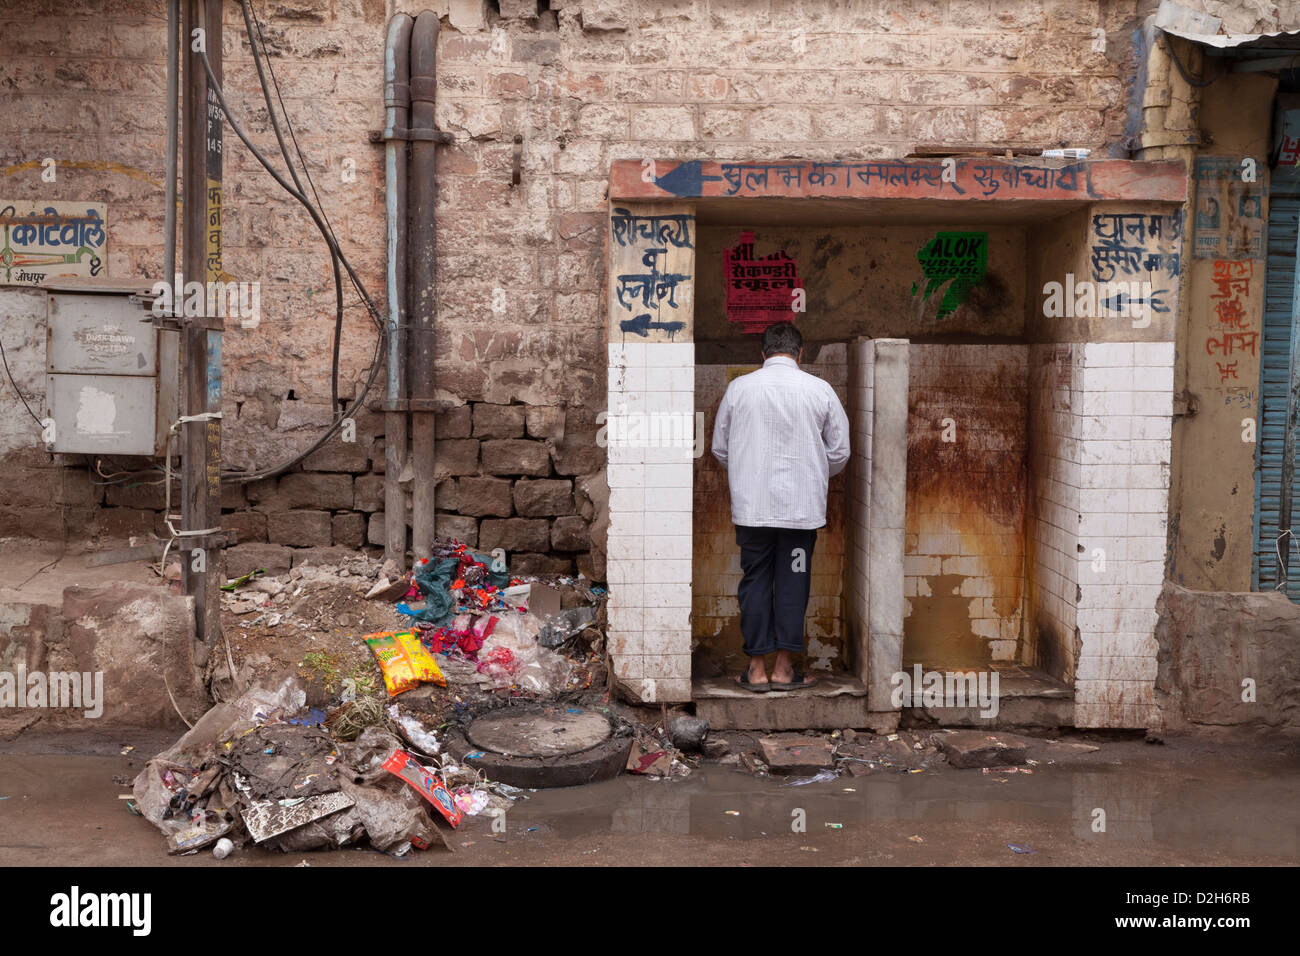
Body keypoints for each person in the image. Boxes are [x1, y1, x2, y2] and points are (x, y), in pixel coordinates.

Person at [711, 321, 850, 692]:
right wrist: (815, 474)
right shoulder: (819, 390)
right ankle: (785, 670)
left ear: (763, 353)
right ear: (800, 354)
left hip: (752, 509)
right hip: (800, 512)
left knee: (755, 580)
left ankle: (755, 669)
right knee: (794, 581)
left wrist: (745, 474)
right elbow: (839, 451)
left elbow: (720, 448)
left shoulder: (739, 389)